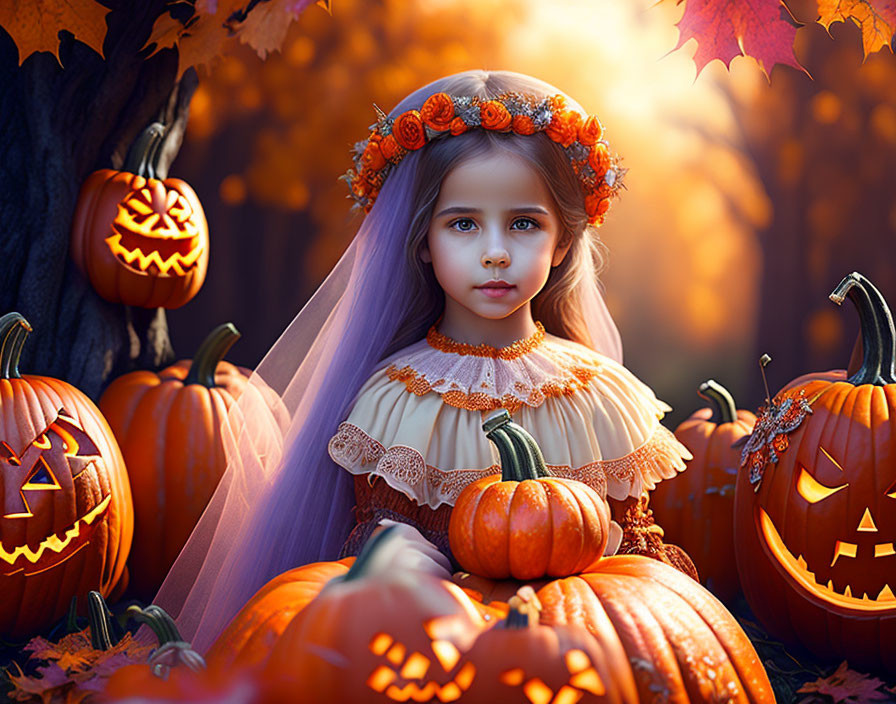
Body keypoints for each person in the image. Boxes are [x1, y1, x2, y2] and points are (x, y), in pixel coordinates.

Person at [154, 69, 692, 654]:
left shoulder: (599, 395)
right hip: (430, 656)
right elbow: (371, 568)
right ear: (422, 242)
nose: (494, 252)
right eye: (463, 223)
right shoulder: (395, 398)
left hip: (584, 655)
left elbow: (636, 573)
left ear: (562, 240)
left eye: (524, 224)